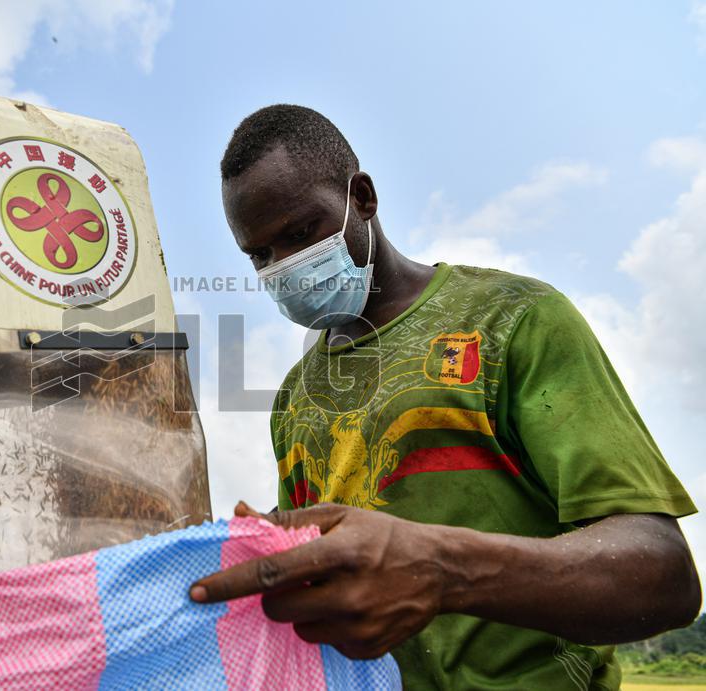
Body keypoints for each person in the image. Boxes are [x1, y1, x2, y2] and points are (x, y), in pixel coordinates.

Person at [188, 104, 701, 689]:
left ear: (364, 198)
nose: (285, 267)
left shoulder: (513, 320)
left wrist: (440, 570)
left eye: (302, 234)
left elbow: (665, 577)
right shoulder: (294, 397)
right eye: (260, 255)